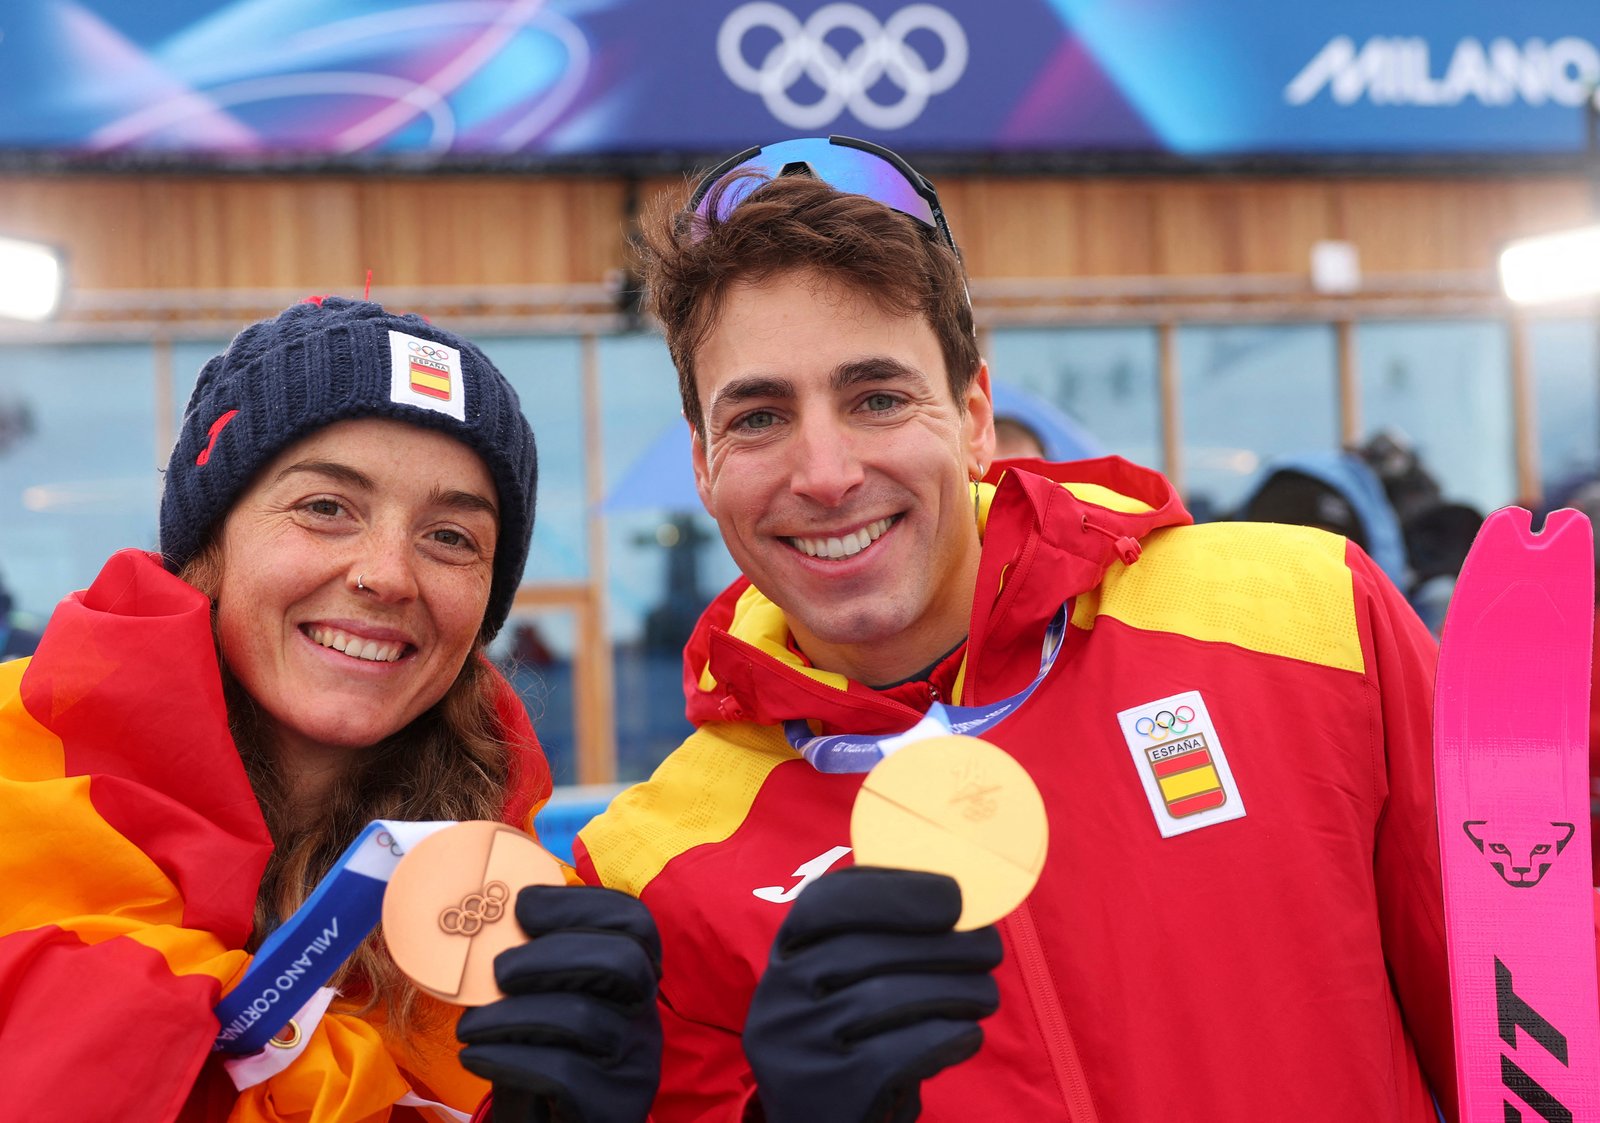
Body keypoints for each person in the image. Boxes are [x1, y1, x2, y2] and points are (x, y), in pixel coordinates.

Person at [573, 136, 1457, 1121]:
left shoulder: (1309, 617)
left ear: (974, 417)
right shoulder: (650, 873)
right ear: (703, 463)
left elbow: (1529, 1043)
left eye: (878, 398)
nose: (824, 473)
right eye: (758, 417)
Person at [0, 297, 660, 1122]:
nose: (387, 574)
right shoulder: (19, 782)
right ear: (212, 541)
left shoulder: (511, 922)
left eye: (451, 536)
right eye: (326, 507)